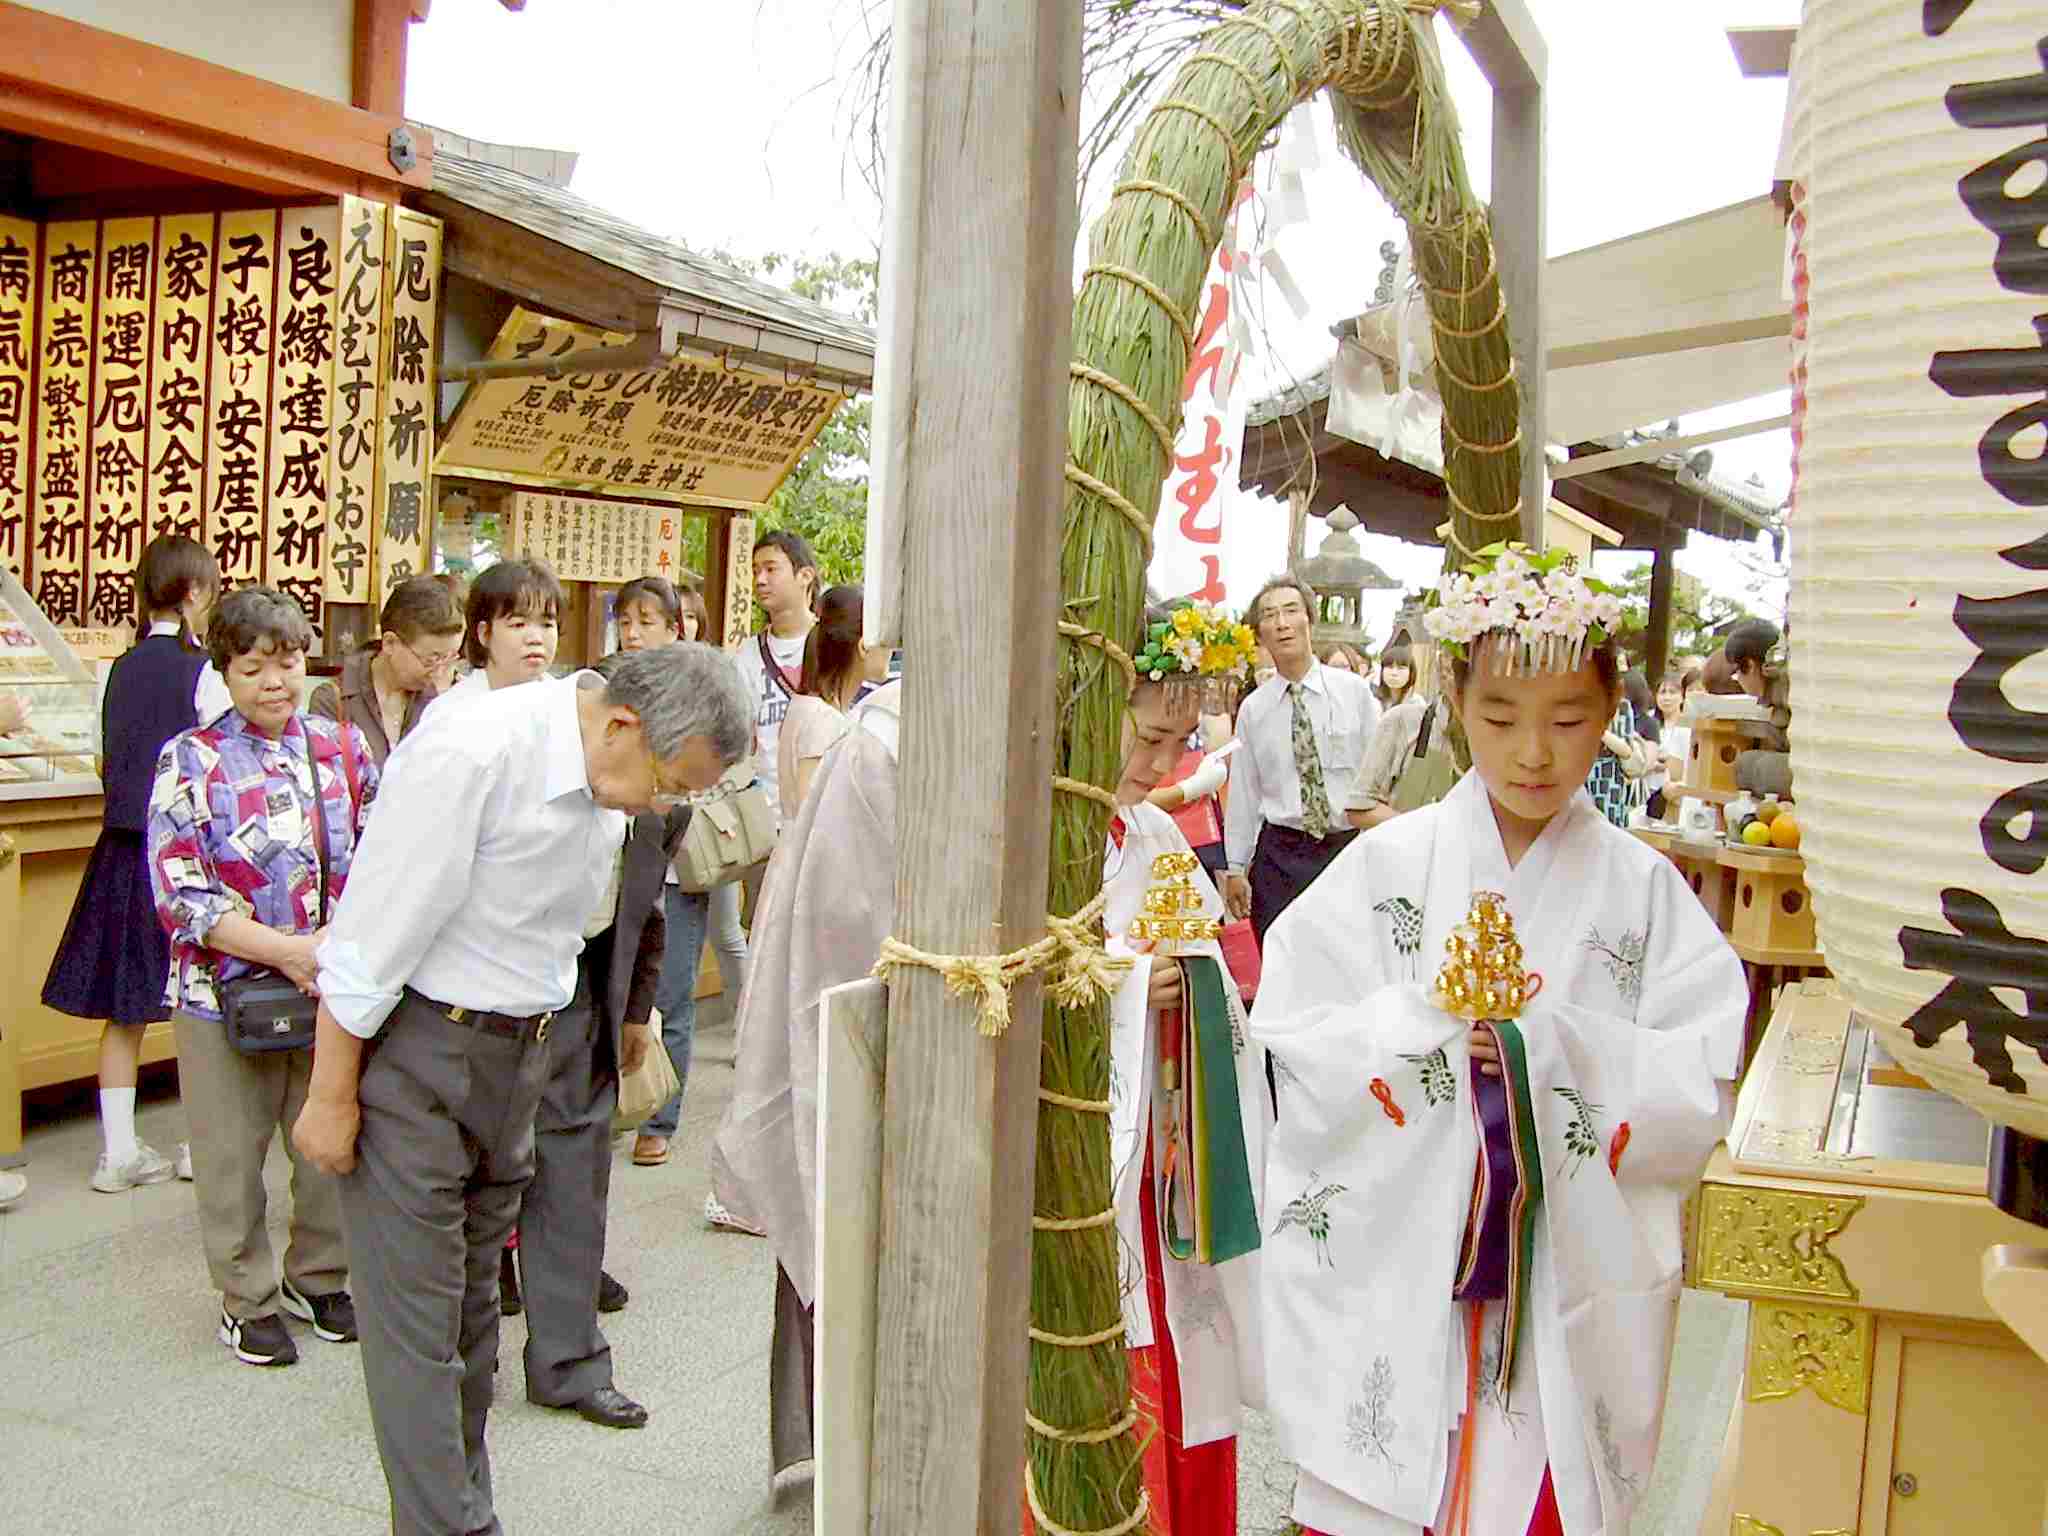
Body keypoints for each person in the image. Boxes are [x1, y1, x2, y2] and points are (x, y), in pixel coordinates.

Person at [1252, 544, 1745, 1536]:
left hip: (1560, 1279)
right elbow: (1295, 1044)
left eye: (1566, 722)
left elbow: (1697, 1083)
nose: (1532, 754)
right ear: (1452, 700)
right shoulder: (1384, 864)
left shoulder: (1641, 891)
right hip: (1400, 1273)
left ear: (1607, 715)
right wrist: (1424, 1029)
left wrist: (1549, 1050)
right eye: (1498, 719)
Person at [293, 645, 753, 1536]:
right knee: (419, 1336)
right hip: (421, 1054)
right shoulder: (475, 749)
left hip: (521, 1059)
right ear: (624, 725)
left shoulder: (605, 776)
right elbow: (368, 942)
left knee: (471, 1329)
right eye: (671, 782)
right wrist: (330, 1095)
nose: (668, 807)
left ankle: (458, 1513)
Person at [147, 586, 377, 1367]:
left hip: (332, 984)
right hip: (223, 993)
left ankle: (320, 1275)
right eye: (253, 668)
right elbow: (179, 888)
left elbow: (385, 859)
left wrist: (339, 948)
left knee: (325, 1142)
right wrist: (285, 949)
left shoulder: (342, 749)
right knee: (229, 1154)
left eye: (285, 663)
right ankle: (246, 1297)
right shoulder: (191, 758)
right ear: (226, 671)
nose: (274, 682)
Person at [1098, 618, 1269, 1535]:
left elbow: (1216, 972)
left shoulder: (1157, 829)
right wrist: (1130, 976)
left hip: (1161, 1156)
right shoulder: (1054, 826)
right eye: (1148, 737)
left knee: (1181, 1340)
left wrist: (1184, 976)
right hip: (1091, 1156)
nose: (1162, 762)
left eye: (1179, 742)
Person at [511, 648, 677, 1433]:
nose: (669, 793)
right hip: (482, 1001)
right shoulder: (510, 769)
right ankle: (446, 1365)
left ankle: (568, 1362)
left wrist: (636, 1011)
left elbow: (647, 914)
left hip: (581, 992)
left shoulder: (660, 801)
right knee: (475, 1181)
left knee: (574, 1178)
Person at [44, 535, 225, 1193]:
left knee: (126, 1010)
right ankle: (195, 1144)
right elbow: (220, 765)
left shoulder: (117, 668)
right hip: (182, 858)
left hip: (118, 852)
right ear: (195, 592)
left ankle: (118, 1153)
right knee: (197, 1004)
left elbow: (104, 756)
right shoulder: (203, 671)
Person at [620, 575, 751, 1171]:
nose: (633, 633)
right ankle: (615, 1101)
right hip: (618, 872)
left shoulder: (707, 692)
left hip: (680, 869)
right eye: (625, 621)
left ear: (676, 629)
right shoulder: (608, 692)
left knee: (669, 993)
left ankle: (659, 1116)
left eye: (646, 622)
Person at [1222, 575, 1381, 944]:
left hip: (1347, 849)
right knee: (1282, 958)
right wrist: (1235, 867)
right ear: (1259, 633)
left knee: (1350, 958)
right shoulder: (1253, 710)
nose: (1281, 623)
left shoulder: (1354, 693)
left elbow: (1380, 776)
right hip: (1280, 856)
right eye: (1270, 615)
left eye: (1291, 611)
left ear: (1309, 619)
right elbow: (1244, 793)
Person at [309, 575, 462, 768]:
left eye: (449, 659)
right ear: (390, 643)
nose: (440, 671)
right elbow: (327, 785)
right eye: (431, 659)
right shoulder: (333, 701)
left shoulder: (452, 695)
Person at [734, 530, 820, 828]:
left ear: (805, 575)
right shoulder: (746, 655)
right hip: (767, 820)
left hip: (825, 817)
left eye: (771, 569)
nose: (759, 580)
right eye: (755, 571)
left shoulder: (833, 644)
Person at [779, 583, 891, 812]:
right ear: (864, 646)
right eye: (887, 639)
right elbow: (812, 816)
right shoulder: (824, 721)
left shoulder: (808, 707)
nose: (891, 648)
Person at [447, 557, 563, 699]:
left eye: (547, 625)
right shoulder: (452, 711)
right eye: (518, 624)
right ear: (484, 633)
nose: (535, 639)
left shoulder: (570, 706)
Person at [1375, 634, 1417, 711]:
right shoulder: (1373, 700)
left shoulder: (1416, 703)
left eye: (1401, 668)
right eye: (1390, 667)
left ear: (1411, 673)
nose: (1394, 673)